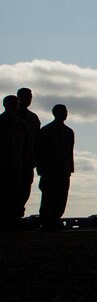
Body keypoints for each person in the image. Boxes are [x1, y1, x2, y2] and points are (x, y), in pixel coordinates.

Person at [35, 104, 74, 230]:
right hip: (49, 170)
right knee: (48, 196)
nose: (65, 114)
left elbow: (70, 152)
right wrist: (41, 168)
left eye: (66, 111)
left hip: (64, 169)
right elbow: (39, 151)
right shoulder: (46, 131)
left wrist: (69, 169)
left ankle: (55, 219)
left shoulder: (69, 132)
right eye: (62, 111)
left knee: (62, 196)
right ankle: (46, 220)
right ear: (55, 113)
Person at [0, 95, 26, 228]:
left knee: (16, 191)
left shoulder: (21, 124)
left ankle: (14, 217)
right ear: (5, 104)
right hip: (2, 164)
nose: (15, 105)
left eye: (17, 102)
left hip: (17, 163)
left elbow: (27, 145)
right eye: (12, 103)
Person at [16, 88, 39, 221]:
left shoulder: (33, 118)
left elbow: (38, 140)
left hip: (28, 160)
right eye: (26, 97)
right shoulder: (9, 118)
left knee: (25, 189)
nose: (29, 100)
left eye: (30, 97)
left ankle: (18, 215)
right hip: (10, 162)